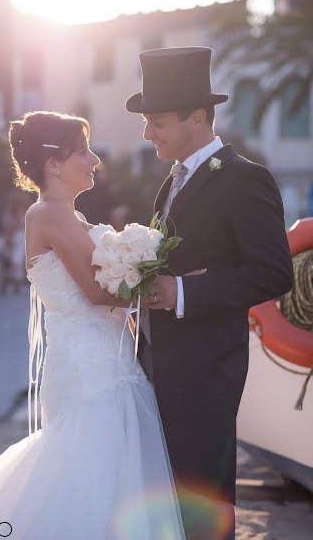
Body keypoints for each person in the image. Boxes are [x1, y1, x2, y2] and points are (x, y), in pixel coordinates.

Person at [0, 111, 185, 540]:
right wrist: (161, 287)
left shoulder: (67, 216)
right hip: (90, 369)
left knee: (104, 473)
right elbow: (97, 294)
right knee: (89, 471)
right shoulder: (50, 214)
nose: (95, 159)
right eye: (83, 151)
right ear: (54, 164)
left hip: (103, 361)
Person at [126, 46, 294, 540]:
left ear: (197, 117)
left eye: (156, 121)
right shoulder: (172, 179)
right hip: (158, 365)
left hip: (206, 370)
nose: (146, 133)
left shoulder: (246, 179)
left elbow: (272, 272)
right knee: (169, 496)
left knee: (204, 502)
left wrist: (181, 292)